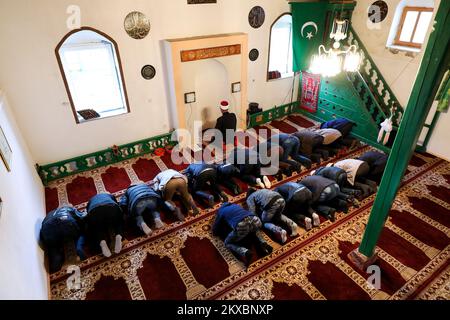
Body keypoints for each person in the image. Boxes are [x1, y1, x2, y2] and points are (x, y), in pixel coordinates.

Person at [40, 206, 85, 273]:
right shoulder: (69, 208)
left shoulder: (49, 214)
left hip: (48, 229)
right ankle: (79, 248)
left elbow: (42, 232)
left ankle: (55, 262)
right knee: (81, 233)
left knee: (53, 246)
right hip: (67, 223)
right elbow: (81, 217)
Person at [84, 193, 124, 257]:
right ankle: (119, 236)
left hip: (94, 210)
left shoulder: (91, 200)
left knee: (97, 228)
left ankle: (102, 242)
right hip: (111, 207)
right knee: (118, 222)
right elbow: (116, 201)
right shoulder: (109, 195)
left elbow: (87, 209)